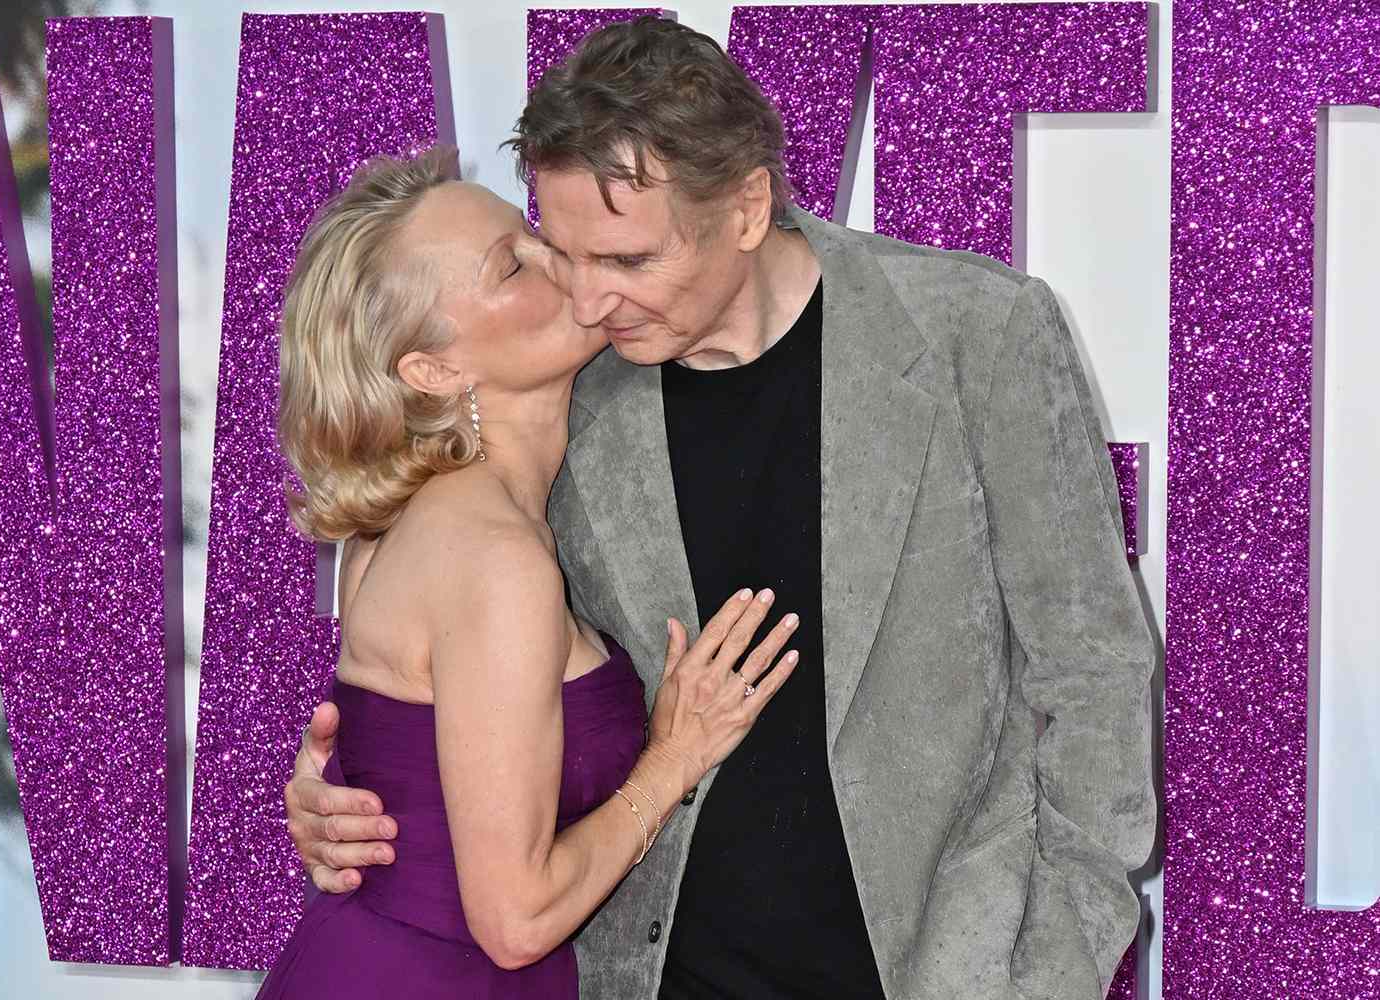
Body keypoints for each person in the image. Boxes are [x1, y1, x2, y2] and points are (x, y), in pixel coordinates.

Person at [284, 17, 1156, 1000]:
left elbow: (1092, 673)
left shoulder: (977, 335)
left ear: (746, 207)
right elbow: (437, 648)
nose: (587, 297)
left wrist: (1046, 976)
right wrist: (346, 790)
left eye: (627, 259)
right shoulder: (559, 388)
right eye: (560, 250)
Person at [254, 148, 801, 999]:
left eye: (532, 234)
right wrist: (673, 758)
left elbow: (405, 773)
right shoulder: (497, 559)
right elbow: (515, 921)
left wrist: (321, 788)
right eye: (513, 266)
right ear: (434, 370)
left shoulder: (395, 521)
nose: (560, 260)